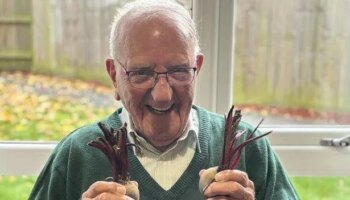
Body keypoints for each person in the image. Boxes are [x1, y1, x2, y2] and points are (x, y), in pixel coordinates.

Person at [29, 0, 299, 199]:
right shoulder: (78, 155)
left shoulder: (246, 148)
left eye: (179, 71)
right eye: (141, 73)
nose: (162, 96)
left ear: (197, 69)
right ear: (114, 76)